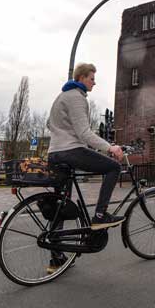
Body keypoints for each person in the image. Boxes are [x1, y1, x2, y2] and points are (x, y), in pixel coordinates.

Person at [47, 63, 124, 230]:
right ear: (81, 78)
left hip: (54, 153)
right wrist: (110, 148)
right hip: (70, 151)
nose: (94, 83)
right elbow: (84, 133)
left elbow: (49, 124)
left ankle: (57, 252)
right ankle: (100, 216)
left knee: (61, 201)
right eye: (92, 79)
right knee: (113, 168)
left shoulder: (61, 97)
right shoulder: (76, 97)